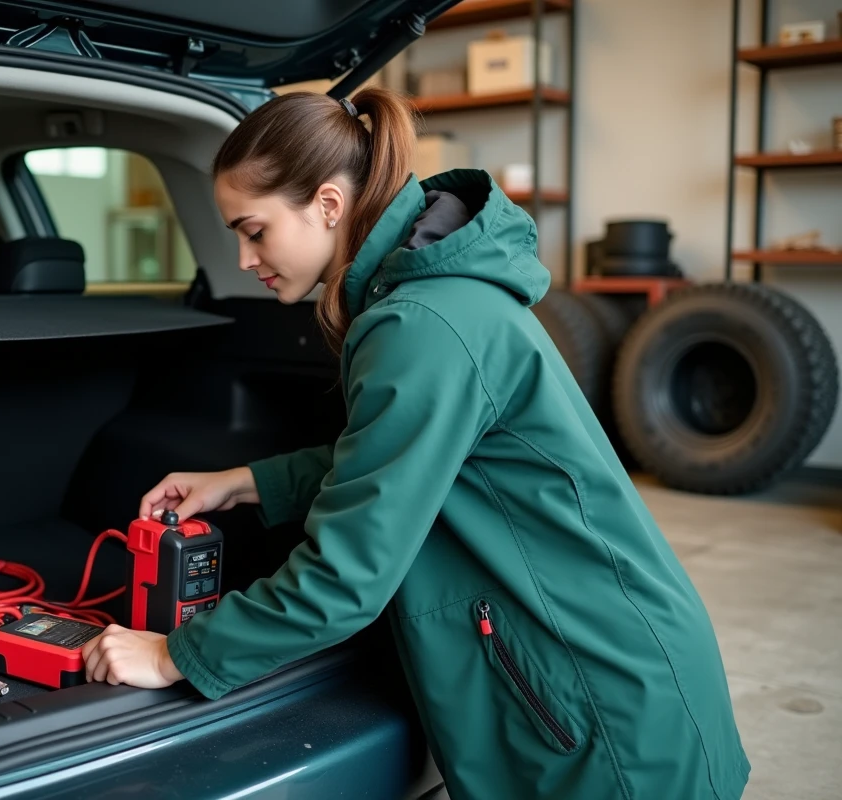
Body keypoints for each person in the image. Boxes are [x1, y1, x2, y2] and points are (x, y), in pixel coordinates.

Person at [80, 88, 750, 800]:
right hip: (611, 666)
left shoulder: (420, 325)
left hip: (601, 705)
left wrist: (176, 655)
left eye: (255, 231)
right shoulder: (430, 299)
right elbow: (408, 465)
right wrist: (244, 481)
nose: (244, 259)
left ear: (329, 206)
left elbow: (346, 577)